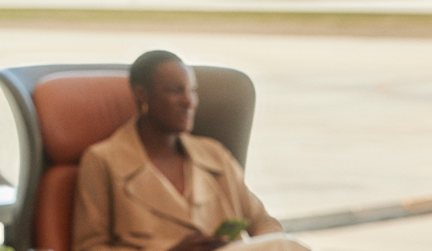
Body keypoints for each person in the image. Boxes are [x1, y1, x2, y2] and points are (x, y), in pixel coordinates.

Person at [72, 51, 313, 251]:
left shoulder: (214, 154)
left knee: (285, 246)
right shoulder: (103, 160)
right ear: (142, 94)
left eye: (193, 90)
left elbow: (265, 223)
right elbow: (89, 248)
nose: (190, 101)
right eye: (176, 90)